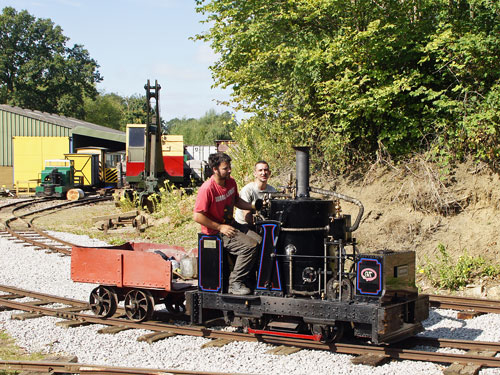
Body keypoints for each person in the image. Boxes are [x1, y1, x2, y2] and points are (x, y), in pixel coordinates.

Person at [193, 152, 259, 295]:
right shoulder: (207, 189)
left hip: (231, 224)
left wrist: (253, 206)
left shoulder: (231, 182)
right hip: (215, 232)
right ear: (215, 169)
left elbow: (236, 200)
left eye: (229, 167)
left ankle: (250, 280)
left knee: (261, 241)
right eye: (225, 168)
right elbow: (197, 216)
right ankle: (234, 283)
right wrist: (220, 227)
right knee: (250, 246)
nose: (229, 170)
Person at [234, 160, 277, 229]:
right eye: (260, 170)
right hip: (244, 225)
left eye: (266, 170)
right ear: (255, 174)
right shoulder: (248, 190)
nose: (263, 173)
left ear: (269, 173)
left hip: (263, 224)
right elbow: (247, 216)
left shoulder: (272, 191)